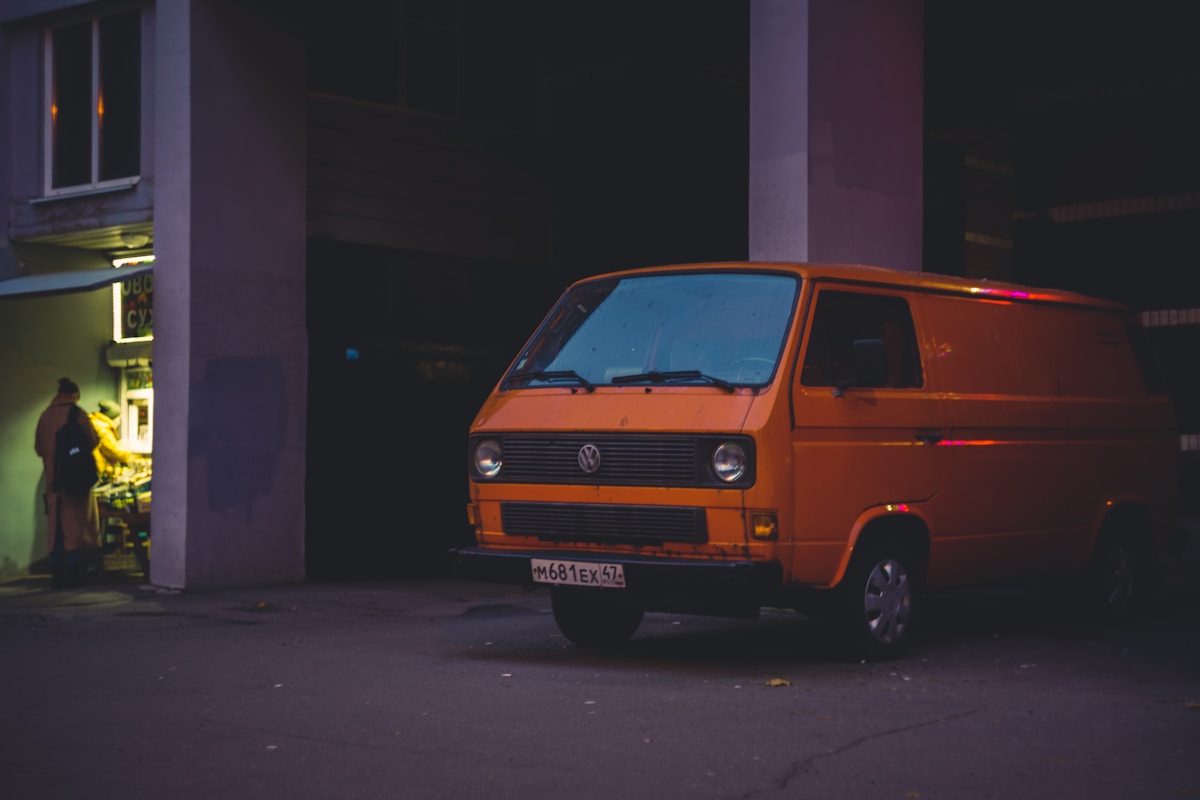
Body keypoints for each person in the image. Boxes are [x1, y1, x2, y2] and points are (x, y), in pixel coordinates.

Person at [34, 377, 101, 589]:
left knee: (55, 526)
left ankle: (56, 570)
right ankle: (74, 571)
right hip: (75, 479)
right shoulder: (77, 414)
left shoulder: (44, 416)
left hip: (53, 480)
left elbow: (38, 448)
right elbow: (92, 441)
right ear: (75, 395)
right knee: (75, 526)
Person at [90, 399, 136, 479]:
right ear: (112, 417)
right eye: (119, 418)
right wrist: (131, 455)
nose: (119, 422)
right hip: (95, 471)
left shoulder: (96, 422)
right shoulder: (101, 428)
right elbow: (113, 451)